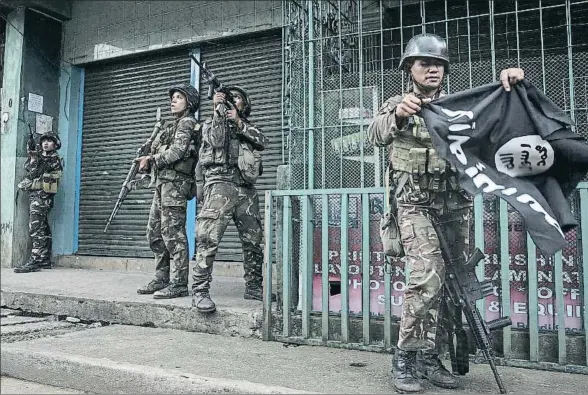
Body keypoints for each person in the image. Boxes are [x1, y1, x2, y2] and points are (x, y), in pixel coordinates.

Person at [367, 33, 525, 393]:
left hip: (455, 207)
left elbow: (496, 118)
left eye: (438, 64)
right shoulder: (397, 104)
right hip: (415, 206)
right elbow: (375, 135)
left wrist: (511, 87)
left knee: (453, 290)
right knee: (426, 279)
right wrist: (398, 114)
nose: (433, 69)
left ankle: (430, 359)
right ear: (410, 68)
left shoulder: (460, 106)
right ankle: (405, 359)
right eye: (425, 63)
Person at [192, 86, 273, 313]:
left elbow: (263, 141)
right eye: (227, 97)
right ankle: (199, 291)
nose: (231, 100)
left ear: (244, 104)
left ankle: (254, 286)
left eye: (235, 98)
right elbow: (216, 141)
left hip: (246, 188)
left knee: (254, 240)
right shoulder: (210, 124)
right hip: (220, 185)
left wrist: (238, 122)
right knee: (208, 238)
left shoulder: (247, 127)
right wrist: (218, 112)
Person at [135, 84, 201, 299]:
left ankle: (179, 283)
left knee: (174, 235)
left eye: (179, 97)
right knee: (154, 233)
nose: (173, 101)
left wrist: (152, 159)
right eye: (172, 97)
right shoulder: (171, 126)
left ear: (189, 102)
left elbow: (177, 152)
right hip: (162, 184)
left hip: (176, 185)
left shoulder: (188, 123)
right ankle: (161, 277)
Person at [15, 131, 64, 273]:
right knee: (42, 227)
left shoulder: (54, 160)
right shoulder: (39, 157)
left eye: (49, 141)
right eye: (44, 141)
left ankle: (35, 260)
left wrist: (36, 162)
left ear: (55, 144)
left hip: (42, 197)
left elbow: (46, 177)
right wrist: (32, 154)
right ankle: (44, 258)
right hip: (35, 196)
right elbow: (30, 170)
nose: (46, 143)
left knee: (35, 227)